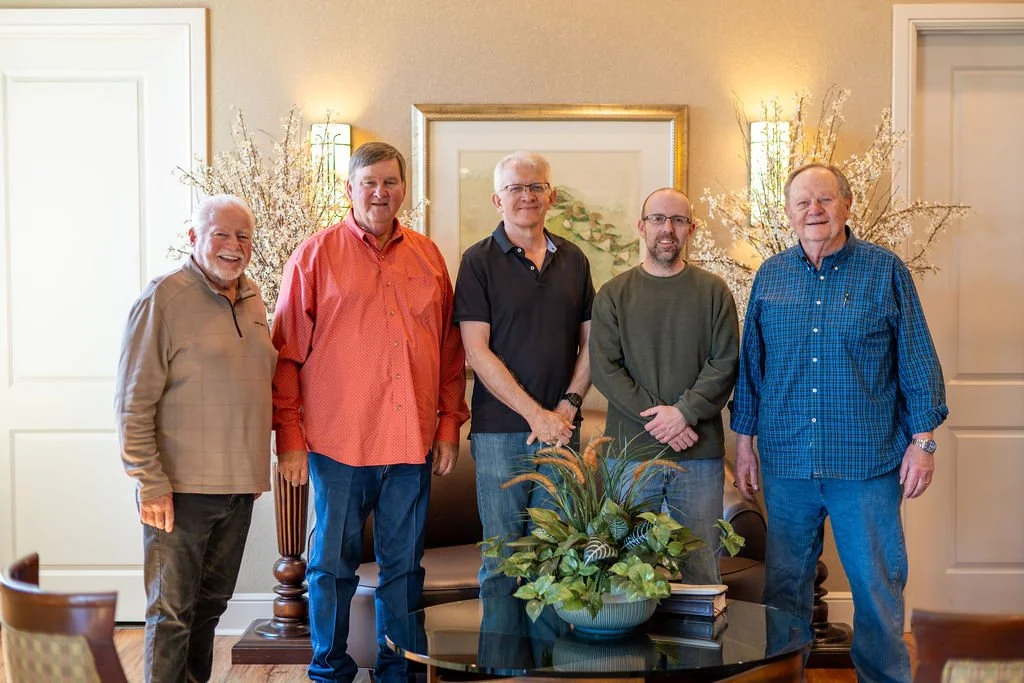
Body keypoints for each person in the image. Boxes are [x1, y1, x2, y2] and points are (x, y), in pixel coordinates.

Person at [731, 163, 948, 681]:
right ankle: (786, 677)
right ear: (788, 214)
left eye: (825, 200)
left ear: (846, 206)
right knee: (784, 591)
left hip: (867, 464)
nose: (814, 211)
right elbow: (752, 369)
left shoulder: (885, 271)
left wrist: (924, 442)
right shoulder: (771, 276)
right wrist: (744, 446)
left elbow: (917, 360)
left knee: (876, 586)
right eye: (803, 203)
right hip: (787, 463)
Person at [271, 141, 469, 683]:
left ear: (404, 189)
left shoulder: (429, 257)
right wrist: (289, 437)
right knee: (329, 567)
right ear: (349, 189)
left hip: (411, 444)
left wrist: (449, 425)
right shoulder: (313, 256)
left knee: (404, 569)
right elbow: (286, 354)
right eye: (369, 182)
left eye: (390, 182)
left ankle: (396, 671)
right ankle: (328, 671)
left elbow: (450, 352)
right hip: (340, 444)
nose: (380, 192)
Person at [115, 195, 276, 683]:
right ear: (194, 239)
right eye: (221, 235)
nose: (234, 246)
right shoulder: (163, 297)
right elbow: (132, 400)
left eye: (243, 236)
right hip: (178, 490)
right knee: (171, 613)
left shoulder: (253, 298)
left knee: (210, 606)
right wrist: (149, 481)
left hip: (238, 486)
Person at [454, 151, 595, 598]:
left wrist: (567, 407)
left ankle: (548, 669)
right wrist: (538, 416)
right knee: (502, 562)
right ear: (498, 200)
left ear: (551, 196)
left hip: (562, 431)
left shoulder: (575, 260)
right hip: (499, 435)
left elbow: (592, 343)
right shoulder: (477, 261)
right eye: (516, 188)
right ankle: (501, 668)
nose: (527, 196)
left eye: (536, 187)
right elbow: (476, 351)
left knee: (556, 559)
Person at [589, 187, 739, 585]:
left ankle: (701, 649)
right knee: (624, 574)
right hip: (631, 456)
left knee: (701, 569)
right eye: (658, 219)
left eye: (677, 220)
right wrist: (665, 420)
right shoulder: (613, 294)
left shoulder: (713, 292)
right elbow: (605, 369)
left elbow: (724, 363)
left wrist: (684, 413)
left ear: (691, 229)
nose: (667, 229)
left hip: (700, 457)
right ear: (641, 227)